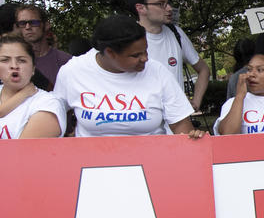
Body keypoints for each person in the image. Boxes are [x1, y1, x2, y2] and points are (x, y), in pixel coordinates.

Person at [53, 15, 203, 138]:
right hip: (93, 165)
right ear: (110, 53)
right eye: (136, 55)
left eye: (146, 51)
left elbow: (181, 127)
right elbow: (56, 118)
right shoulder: (72, 72)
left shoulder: (158, 72)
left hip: (151, 161)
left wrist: (191, 139)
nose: (145, 58)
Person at [127, 0, 210, 113]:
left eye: (168, 2)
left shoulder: (176, 33)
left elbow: (203, 69)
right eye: (161, 4)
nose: (169, 8)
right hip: (143, 123)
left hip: (177, 126)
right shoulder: (126, 38)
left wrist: (196, 102)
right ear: (140, 8)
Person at [0, 35, 66, 139]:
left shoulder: (48, 103)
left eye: (22, 60)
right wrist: (21, 95)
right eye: (5, 60)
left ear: (33, 68)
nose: (14, 65)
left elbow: (21, 152)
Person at [14, 5, 71, 88]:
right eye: (22, 23)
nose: (28, 27)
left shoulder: (66, 61)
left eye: (34, 23)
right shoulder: (10, 62)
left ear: (47, 25)